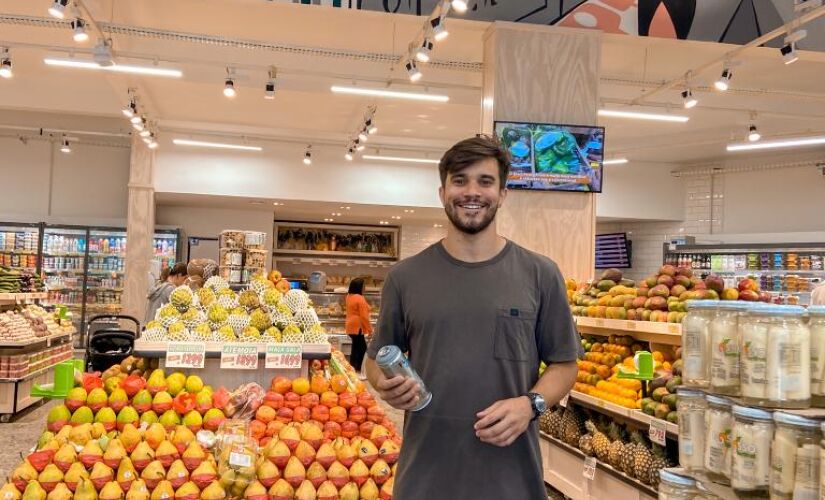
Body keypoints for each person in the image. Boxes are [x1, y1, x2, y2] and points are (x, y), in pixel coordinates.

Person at [364, 135, 580, 499]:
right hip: (424, 478)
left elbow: (565, 365)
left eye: (485, 180)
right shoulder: (406, 277)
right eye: (459, 180)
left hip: (513, 479)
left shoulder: (540, 274)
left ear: (503, 193)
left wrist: (531, 404)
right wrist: (383, 384)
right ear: (442, 191)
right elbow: (376, 359)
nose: (471, 191)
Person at [345, 277, 373, 378]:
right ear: (359, 287)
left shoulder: (349, 296)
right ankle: (358, 370)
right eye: (363, 286)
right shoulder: (360, 298)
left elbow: (359, 308)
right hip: (358, 327)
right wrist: (370, 330)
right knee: (362, 349)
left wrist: (367, 307)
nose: (364, 288)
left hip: (350, 326)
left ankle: (352, 369)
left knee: (356, 348)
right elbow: (364, 317)